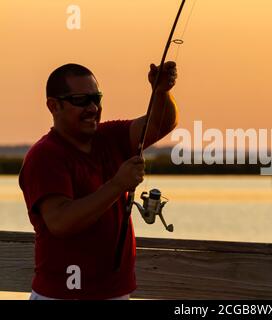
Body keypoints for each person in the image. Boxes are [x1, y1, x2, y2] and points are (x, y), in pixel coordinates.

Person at [19, 62, 178, 300]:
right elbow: (60, 221)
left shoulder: (110, 136)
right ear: (54, 106)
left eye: (96, 98)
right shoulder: (44, 156)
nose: (93, 107)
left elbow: (161, 123)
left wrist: (161, 92)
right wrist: (118, 185)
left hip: (115, 293)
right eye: (81, 100)